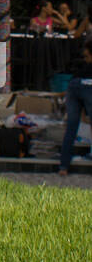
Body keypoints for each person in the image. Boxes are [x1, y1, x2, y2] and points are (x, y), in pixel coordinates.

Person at [58, 41, 92, 173]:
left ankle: (63, 166)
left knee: (71, 128)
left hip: (74, 86)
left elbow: (72, 83)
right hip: (89, 86)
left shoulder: (83, 67)